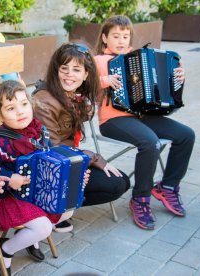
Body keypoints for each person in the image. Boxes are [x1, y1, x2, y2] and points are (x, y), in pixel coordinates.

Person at [93, 15, 195, 230]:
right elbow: (84, 87)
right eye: (115, 36)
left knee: (186, 135)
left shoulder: (137, 57)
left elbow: (160, 83)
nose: (121, 40)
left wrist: (177, 78)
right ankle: (140, 198)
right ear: (104, 38)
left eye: (125, 36)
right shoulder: (97, 61)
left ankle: (167, 187)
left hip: (144, 116)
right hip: (114, 119)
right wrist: (104, 81)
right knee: (150, 143)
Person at [33, 42, 131, 232]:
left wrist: (82, 101)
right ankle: (51, 208)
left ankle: (60, 205)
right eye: (64, 68)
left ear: (86, 74)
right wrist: (95, 159)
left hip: (67, 159)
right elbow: (53, 150)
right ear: (56, 70)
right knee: (115, 184)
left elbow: (79, 119)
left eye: (76, 70)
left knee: (122, 181)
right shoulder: (44, 101)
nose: (69, 74)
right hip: (50, 168)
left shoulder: (71, 95)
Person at [0, 80, 81, 275]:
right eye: (10, 108)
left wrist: (75, 179)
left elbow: (49, 160)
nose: (20, 112)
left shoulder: (40, 130)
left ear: (31, 104)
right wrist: (9, 178)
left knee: (67, 210)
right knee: (43, 227)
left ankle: (29, 237)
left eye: (24, 104)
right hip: (10, 198)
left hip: (37, 192)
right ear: (0, 114)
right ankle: (6, 249)